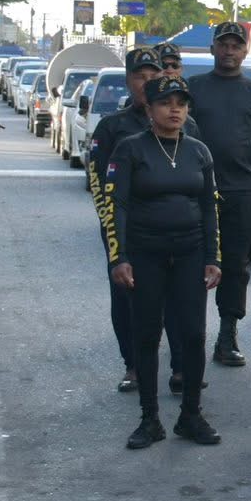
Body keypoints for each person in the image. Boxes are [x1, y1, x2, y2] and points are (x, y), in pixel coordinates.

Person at [102, 76, 225, 450]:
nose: (175, 109)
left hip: (189, 253)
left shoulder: (199, 152)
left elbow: (208, 207)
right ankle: (150, 418)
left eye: (181, 103)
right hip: (146, 254)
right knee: (147, 334)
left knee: (192, 334)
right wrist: (119, 257)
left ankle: (190, 415)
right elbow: (116, 206)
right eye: (166, 103)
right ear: (149, 109)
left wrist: (212, 257)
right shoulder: (130, 149)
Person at [181, 23, 251, 369]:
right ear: (212, 49)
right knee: (191, 265)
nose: (229, 51)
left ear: (244, 51)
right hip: (195, 191)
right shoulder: (192, 89)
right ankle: (189, 336)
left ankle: (227, 335)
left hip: (239, 192)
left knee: (235, 266)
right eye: (223, 45)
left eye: (235, 45)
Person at [87, 48, 166, 393]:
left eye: (153, 76)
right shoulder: (111, 127)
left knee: (168, 299)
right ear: (129, 81)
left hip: (166, 227)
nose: (146, 83)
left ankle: (173, 364)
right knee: (125, 297)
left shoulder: (180, 122)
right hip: (124, 228)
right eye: (139, 76)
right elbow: (98, 182)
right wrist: (111, 229)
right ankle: (133, 365)